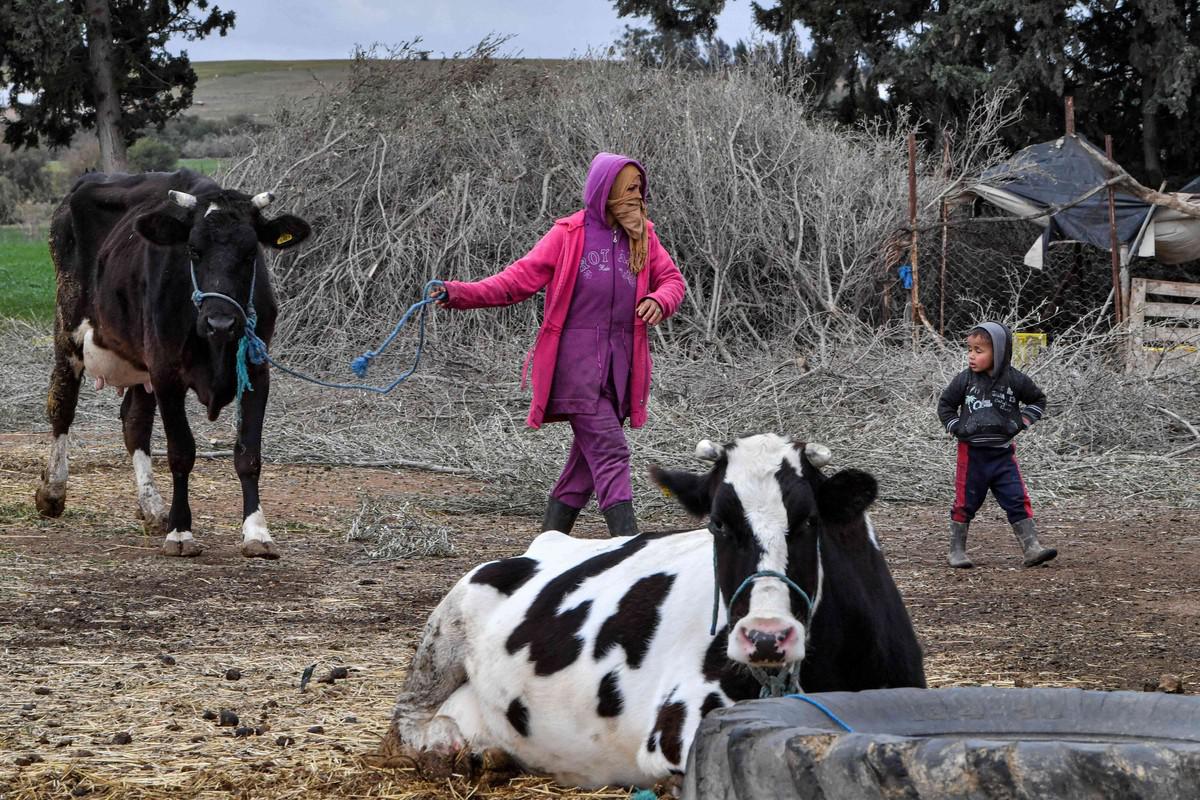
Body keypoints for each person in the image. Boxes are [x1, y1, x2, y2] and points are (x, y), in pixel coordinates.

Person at [430, 152, 686, 537]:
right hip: (576, 370)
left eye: (640, 188)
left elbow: (673, 281)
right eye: (629, 188)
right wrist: (457, 293)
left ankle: (546, 549)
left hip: (622, 371)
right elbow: (514, 282)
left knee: (583, 468)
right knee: (611, 451)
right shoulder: (568, 235)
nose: (637, 196)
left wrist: (659, 299)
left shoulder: (643, 235)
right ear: (607, 189)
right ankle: (629, 546)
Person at [936, 322, 1058, 568]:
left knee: (1016, 498)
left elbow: (1038, 400)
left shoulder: (1014, 379)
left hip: (1003, 455)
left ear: (999, 352)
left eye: (979, 350)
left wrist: (1022, 421)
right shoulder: (964, 380)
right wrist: (955, 426)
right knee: (964, 502)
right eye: (969, 349)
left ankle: (1031, 547)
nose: (971, 355)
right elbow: (945, 405)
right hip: (972, 455)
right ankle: (956, 550)